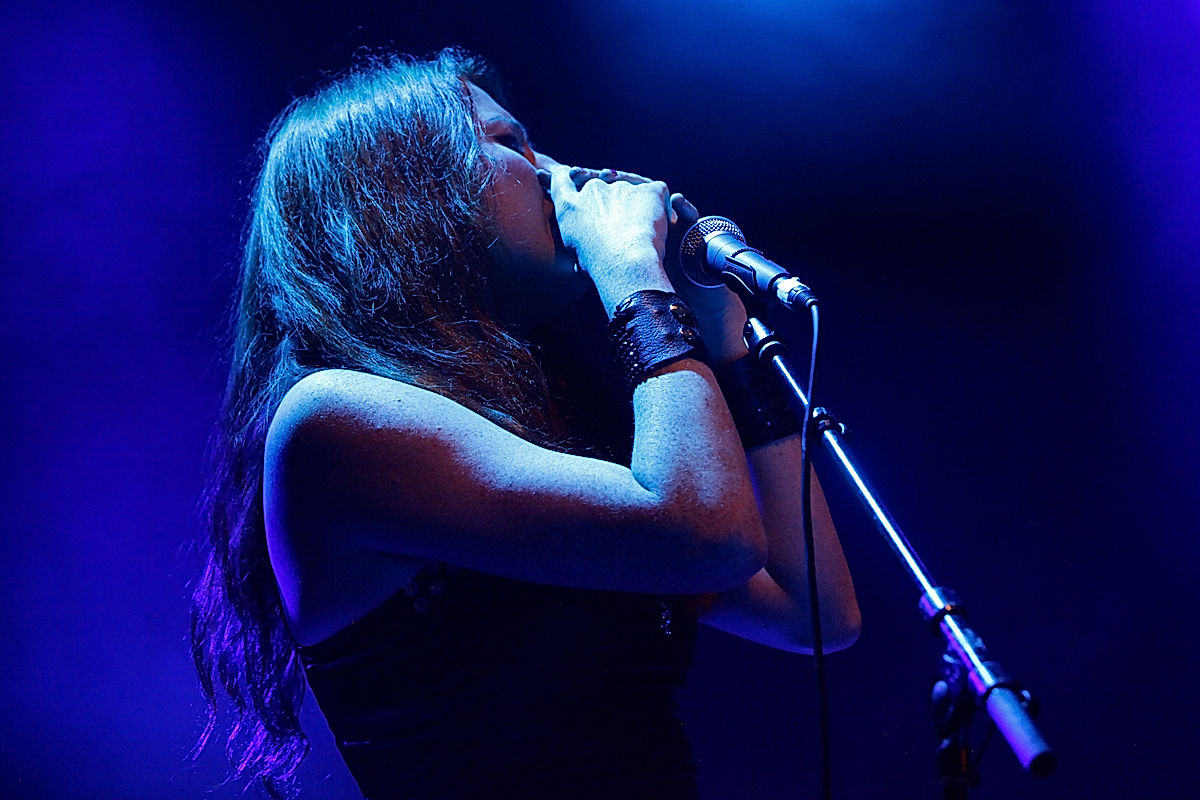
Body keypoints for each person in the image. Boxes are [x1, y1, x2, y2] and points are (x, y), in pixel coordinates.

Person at [191, 48, 860, 800]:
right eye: (511, 143)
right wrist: (632, 275)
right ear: (405, 190)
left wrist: (729, 348)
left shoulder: (544, 419)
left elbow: (815, 613)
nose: (560, 174)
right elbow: (711, 531)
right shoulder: (333, 420)